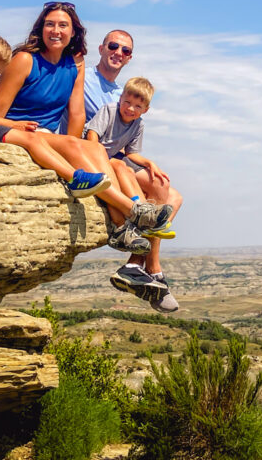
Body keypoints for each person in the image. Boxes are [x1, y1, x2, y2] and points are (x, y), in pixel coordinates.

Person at [0, 3, 172, 258]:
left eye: (63, 25)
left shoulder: (74, 63)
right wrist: (20, 129)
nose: (55, 31)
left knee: (93, 148)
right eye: (50, 24)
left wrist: (75, 147)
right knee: (81, 147)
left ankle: (122, 228)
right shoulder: (24, 60)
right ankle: (133, 211)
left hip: (49, 135)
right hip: (19, 131)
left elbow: (77, 113)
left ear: (73, 31)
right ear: (41, 28)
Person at [82, 30, 183, 312]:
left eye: (125, 50)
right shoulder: (86, 81)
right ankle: (152, 270)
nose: (118, 53)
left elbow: (131, 150)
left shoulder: (126, 95)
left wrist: (149, 162)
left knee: (169, 194)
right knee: (135, 182)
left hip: (119, 157)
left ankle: (136, 264)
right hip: (98, 156)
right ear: (101, 48)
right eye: (113, 46)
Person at [0, 32, 110, 197]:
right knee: (31, 139)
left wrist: (10, 127)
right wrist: (13, 125)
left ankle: (74, 175)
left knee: (34, 138)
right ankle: (74, 177)